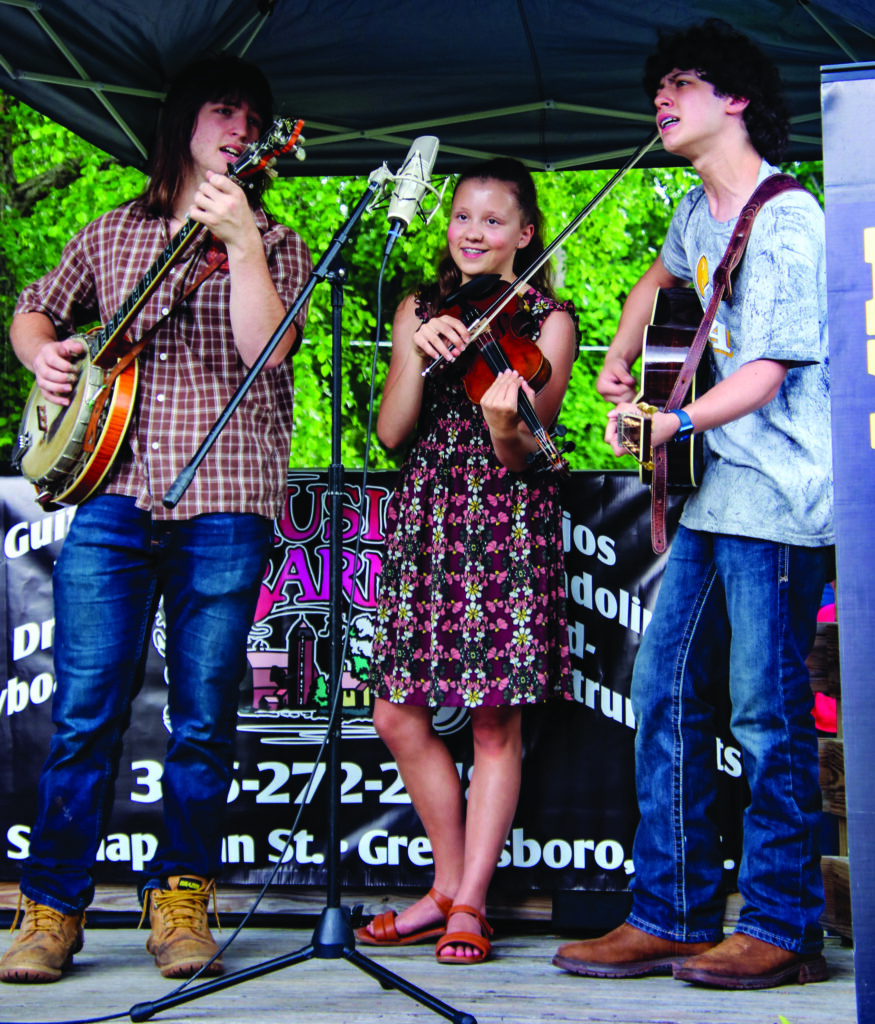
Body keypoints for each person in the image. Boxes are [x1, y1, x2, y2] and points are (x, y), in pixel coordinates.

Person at [0, 55, 311, 983]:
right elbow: (33, 312)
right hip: (111, 493)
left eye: (255, 114)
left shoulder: (278, 239)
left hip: (225, 498)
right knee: (85, 712)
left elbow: (268, 351)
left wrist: (244, 243)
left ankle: (183, 901)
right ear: (186, 121)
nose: (241, 125)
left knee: (204, 717)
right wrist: (44, 357)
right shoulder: (111, 233)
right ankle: (51, 909)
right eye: (225, 108)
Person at [553, 19, 834, 990]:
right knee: (662, 693)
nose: (659, 102)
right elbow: (660, 277)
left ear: (735, 98)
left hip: (780, 499)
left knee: (764, 714)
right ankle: (669, 913)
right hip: (718, 496)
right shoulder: (694, 211)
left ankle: (782, 923)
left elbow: (763, 369)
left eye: (679, 84)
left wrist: (670, 425)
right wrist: (617, 350)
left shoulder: (790, 220)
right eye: (656, 90)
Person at [357, 159, 577, 964]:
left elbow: (524, 450)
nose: (473, 233)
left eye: (492, 221)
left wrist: (502, 417)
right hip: (426, 515)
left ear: (522, 235)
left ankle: (470, 903)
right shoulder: (418, 306)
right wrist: (413, 353)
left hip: (503, 516)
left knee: (492, 717)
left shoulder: (547, 319)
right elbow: (389, 434)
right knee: (395, 711)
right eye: (461, 218)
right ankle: (445, 886)